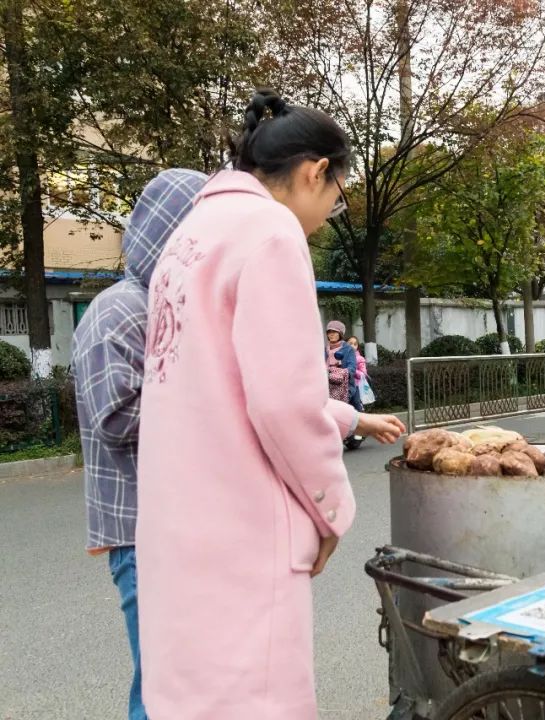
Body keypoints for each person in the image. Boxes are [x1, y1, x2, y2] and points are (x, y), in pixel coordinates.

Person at [135, 88, 406, 720]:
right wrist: (331, 508)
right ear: (316, 172)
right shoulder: (270, 233)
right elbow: (283, 402)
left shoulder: (189, 237)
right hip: (243, 528)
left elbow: (220, 386)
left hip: (178, 531)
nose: (329, 213)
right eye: (337, 197)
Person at [72, 168, 207, 720]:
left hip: (172, 522)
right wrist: (209, 393)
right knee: (163, 686)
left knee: (182, 675)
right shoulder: (119, 312)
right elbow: (118, 419)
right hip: (140, 530)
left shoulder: (162, 305)